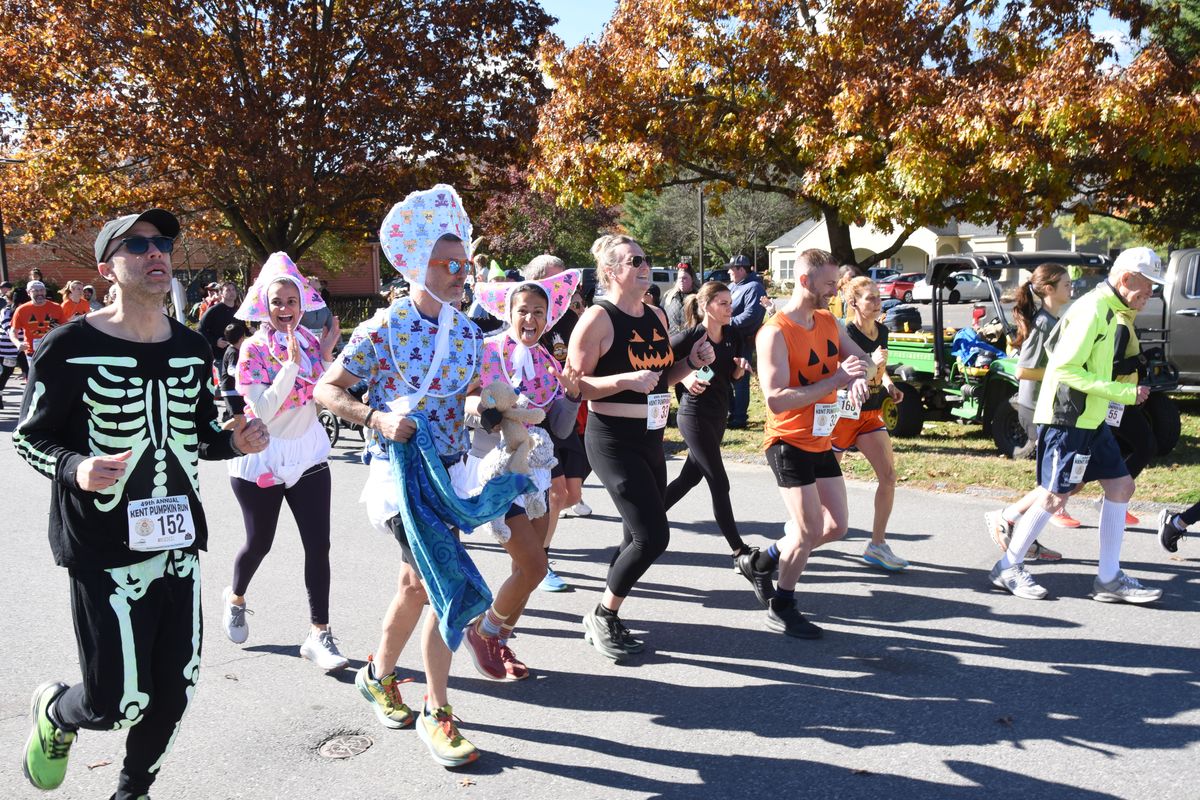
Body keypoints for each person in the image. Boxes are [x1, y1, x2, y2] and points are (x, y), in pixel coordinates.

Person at [14, 208, 268, 800]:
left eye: (163, 245)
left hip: (176, 540)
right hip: (102, 546)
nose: (156, 254)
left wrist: (236, 440)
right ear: (108, 267)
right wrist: (76, 468)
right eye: (137, 246)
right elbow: (29, 437)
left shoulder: (188, 346)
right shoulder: (67, 346)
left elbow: (204, 433)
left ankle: (134, 792)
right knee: (115, 701)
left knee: (177, 685)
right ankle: (57, 712)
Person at [315, 184, 494, 767]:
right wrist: (376, 417)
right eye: (447, 265)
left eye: (464, 265)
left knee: (413, 586)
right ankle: (437, 712)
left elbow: (474, 395)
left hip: (449, 476)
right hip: (398, 477)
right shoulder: (381, 331)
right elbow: (325, 389)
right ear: (419, 265)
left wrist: (492, 413)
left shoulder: (469, 333)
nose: (458, 275)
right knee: (441, 584)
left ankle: (377, 674)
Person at [988, 247, 1164, 604]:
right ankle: (1007, 566)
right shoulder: (1092, 310)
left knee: (1120, 487)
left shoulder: (1113, 310)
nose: (1151, 294)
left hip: (1090, 418)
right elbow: (1064, 369)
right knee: (1054, 496)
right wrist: (1122, 391)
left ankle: (1109, 579)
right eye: (1147, 286)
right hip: (1066, 418)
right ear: (1127, 278)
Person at [569, 234, 714, 660]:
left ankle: (607, 609)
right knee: (653, 537)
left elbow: (663, 378)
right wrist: (623, 381)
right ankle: (602, 613)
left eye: (646, 258)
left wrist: (692, 363)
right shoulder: (597, 319)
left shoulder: (654, 314)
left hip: (653, 438)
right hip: (612, 440)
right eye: (635, 260)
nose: (644, 265)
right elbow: (574, 387)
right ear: (612, 271)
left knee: (636, 533)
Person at [220, 254, 346, 670]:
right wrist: (290, 365)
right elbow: (264, 411)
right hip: (264, 455)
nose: (286, 308)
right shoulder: (253, 349)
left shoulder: (310, 342)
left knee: (319, 546)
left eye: (293, 300)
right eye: (278, 301)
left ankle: (319, 633)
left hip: (307, 453)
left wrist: (326, 356)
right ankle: (236, 597)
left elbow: (326, 391)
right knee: (260, 543)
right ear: (264, 305)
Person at [736, 248, 869, 639]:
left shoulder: (828, 320)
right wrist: (835, 382)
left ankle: (764, 559)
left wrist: (860, 375)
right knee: (809, 530)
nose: (834, 292)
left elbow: (860, 358)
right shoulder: (774, 332)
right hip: (788, 441)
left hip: (820, 438)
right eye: (829, 285)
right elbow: (776, 398)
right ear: (806, 281)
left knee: (837, 526)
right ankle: (782, 605)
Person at [462, 270, 583, 679]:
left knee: (530, 567)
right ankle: (483, 631)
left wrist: (571, 394)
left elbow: (560, 428)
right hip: (495, 472)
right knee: (533, 567)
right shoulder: (486, 349)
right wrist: (482, 410)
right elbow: (464, 399)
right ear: (508, 313)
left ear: (548, 318)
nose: (530, 319)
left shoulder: (549, 362)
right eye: (522, 311)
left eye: (537, 312)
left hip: (534, 473)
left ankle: (498, 640)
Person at [663, 281, 756, 567]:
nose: (730, 309)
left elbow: (732, 376)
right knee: (719, 481)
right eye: (724, 303)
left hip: (719, 416)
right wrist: (686, 375)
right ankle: (739, 551)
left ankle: (645, 519)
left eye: (731, 303)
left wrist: (740, 371)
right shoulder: (689, 338)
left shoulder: (733, 336)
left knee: (689, 478)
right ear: (706, 306)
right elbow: (660, 367)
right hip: (693, 416)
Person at [983, 264, 1071, 560]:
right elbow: (1022, 371)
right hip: (1037, 408)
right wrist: (1062, 373)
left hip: (1051, 407)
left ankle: (1025, 534)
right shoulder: (1044, 322)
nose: (1072, 289)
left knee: (1059, 481)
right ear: (1048, 289)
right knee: (1054, 482)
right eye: (1067, 284)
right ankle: (1006, 519)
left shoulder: (1053, 318)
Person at [829, 277, 909, 571]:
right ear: (854, 304)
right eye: (870, 298)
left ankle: (877, 545)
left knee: (888, 476)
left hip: (870, 414)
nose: (878, 303)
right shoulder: (845, 333)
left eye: (879, 297)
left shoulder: (883, 331)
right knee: (822, 480)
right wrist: (872, 363)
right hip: (844, 414)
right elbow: (843, 372)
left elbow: (880, 369)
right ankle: (804, 527)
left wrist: (889, 384)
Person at [523, 255, 589, 592]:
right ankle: (539, 562)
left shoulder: (567, 320)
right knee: (556, 492)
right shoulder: (527, 320)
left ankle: (533, 553)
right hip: (536, 422)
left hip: (567, 414)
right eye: (556, 279)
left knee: (572, 495)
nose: (564, 285)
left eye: (567, 279)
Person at [726, 254, 766, 429]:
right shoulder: (734, 286)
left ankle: (739, 417)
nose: (728, 271)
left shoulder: (754, 288)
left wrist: (726, 322)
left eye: (731, 268)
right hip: (728, 339)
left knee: (740, 379)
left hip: (743, 341)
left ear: (741, 269)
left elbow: (751, 315)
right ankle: (730, 412)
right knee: (726, 377)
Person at [9, 279, 66, 359]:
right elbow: (13, 331)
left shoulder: (56, 307)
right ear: (28, 293)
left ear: (45, 292)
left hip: (53, 349)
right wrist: (18, 343)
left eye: (42, 290)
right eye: (35, 291)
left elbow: (66, 327)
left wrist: (59, 329)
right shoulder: (21, 309)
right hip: (32, 352)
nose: (39, 293)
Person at [198, 280, 239, 360]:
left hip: (238, 356)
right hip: (219, 357)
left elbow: (243, 329)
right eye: (228, 290)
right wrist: (215, 341)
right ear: (221, 294)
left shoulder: (239, 310)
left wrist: (251, 330)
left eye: (233, 289)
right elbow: (200, 330)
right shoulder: (213, 310)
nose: (232, 292)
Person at [218, 321, 248, 421]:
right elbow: (231, 370)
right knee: (238, 419)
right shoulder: (233, 352)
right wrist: (245, 375)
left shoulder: (233, 350)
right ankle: (221, 432)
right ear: (241, 339)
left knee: (241, 418)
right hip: (230, 391)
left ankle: (229, 430)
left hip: (234, 391)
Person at [662, 263, 697, 335]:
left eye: (685, 278)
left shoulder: (699, 297)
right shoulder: (669, 296)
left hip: (691, 339)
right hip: (671, 338)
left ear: (692, 279)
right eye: (679, 278)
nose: (681, 280)